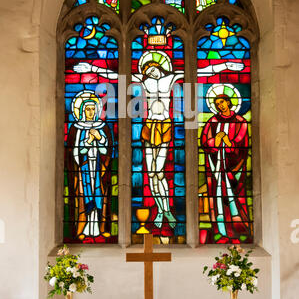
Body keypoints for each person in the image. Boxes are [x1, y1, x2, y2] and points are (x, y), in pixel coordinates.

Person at [73, 56, 244, 230]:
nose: (148, 72)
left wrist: (225, 65)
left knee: (159, 171)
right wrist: (92, 68)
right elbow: (115, 76)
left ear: (158, 67)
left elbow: (201, 72)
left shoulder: (170, 78)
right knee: (152, 173)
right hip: (150, 127)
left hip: (164, 127)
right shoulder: (142, 80)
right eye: (145, 70)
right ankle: (162, 210)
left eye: (151, 68)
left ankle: (166, 209)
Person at [200, 92, 250, 241]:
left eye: (222, 102)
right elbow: (205, 142)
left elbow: (242, 145)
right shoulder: (212, 121)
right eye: (217, 104)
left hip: (234, 167)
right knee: (218, 196)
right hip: (216, 166)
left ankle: (239, 227)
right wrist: (216, 140)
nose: (220, 106)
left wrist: (227, 142)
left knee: (234, 195)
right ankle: (220, 229)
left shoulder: (240, 121)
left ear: (229, 102)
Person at [66, 93, 112, 241]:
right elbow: (73, 152)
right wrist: (88, 141)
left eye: (93, 109)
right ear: (82, 111)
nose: (91, 112)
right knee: (84, 197)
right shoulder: (76, 128)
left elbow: (108, 151)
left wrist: (99, 138)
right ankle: (83, 227)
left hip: (99, 169)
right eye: (88, 109)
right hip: (83, 169)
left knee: (99, 197)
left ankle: (100, 227)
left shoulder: (102, 127)